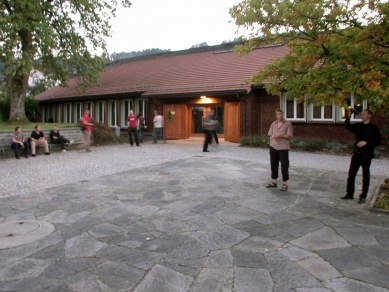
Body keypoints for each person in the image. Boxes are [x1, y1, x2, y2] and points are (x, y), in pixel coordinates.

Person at [340, 109, 381, 204]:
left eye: (364, 114)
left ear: (369, 115)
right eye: (361, 114)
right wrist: (349, 115)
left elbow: (377, 141)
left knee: (365, 175)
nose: (362, 116)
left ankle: (363, 196)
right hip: (357, 153)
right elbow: (347, 125)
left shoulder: (374, 128)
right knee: (351, 174)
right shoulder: (359, 126)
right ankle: (349, 193)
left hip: (366, 155)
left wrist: (366, 143)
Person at [266, 109, 293, 191]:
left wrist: (280, 135)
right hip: (274, 147)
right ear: (276, 115)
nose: (280, 115)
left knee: (284, 165)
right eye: (278, 114)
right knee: (273, 165)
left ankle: (285, 183)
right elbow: (271, 135)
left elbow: (289, 136)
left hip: (283, 148)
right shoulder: (273, 124)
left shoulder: (288, 124)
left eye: (281, 114)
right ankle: (274, 181)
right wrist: (270, 145)